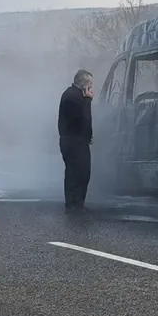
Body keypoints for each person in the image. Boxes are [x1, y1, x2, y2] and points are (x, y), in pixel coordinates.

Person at [58, 69, 94, 212]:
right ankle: (74, 203)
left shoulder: (73, 95)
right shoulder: (73, 97)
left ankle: (76, 203)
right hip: (74, 142)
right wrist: (88, 101)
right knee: (78, 173)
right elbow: (84, 119)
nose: (92, 87)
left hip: (76, 141)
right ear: (84, 84)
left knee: (80, 172)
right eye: (91, 84)